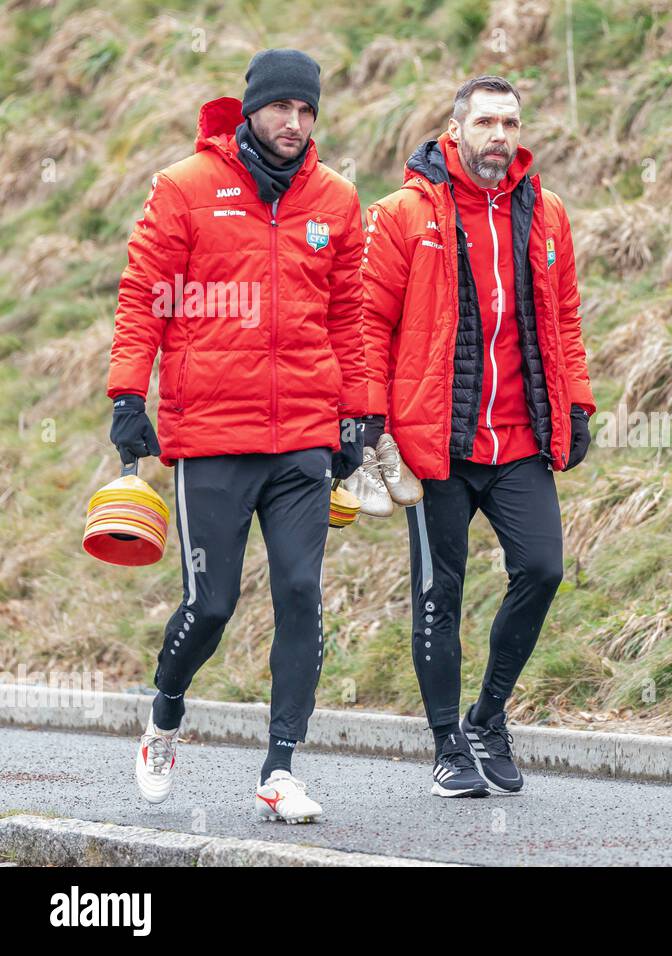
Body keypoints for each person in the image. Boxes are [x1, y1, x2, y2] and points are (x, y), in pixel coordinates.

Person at [107, 49, 368, 823]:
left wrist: (357, 413)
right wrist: (128, 393)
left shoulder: (338, 200)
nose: (296, 123)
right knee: (211, 604)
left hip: (302, 441)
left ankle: (280, 769)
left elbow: (349, 318)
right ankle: (164, 715)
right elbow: (142, 296)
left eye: (308, 110)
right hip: (213, 434)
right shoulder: (186, 188)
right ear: (252, 109)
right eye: (282, 108)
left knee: (299, 594)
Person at [360, 75, 595, 797]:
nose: (500, 136)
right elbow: (367, 321)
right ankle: (446, 745)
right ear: (454, 129)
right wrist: (369, 417)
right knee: (440, 594)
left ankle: (488, 717)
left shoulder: (546, 213)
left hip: (519, 438)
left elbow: (565, 322)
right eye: (486, 122)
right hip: (436, 444)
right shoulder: (405, 213)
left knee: (544, 569)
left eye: (511, 122)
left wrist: (577, 404)